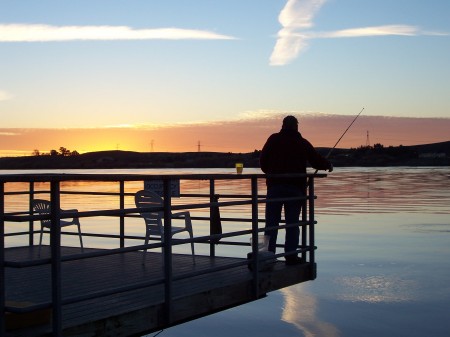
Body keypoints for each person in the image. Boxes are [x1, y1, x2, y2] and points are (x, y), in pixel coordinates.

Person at [260, 115, 333, 265]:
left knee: (271, 223)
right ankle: (291, 255)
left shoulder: (273, 139)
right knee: (292, 223)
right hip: (295, 189)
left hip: (275, 187)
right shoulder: (302, 142)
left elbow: (263, 163)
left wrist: (273, 174)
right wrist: (328, 164)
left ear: (283, 125)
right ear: (296, 126)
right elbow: (316, 160)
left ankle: (268, 255)